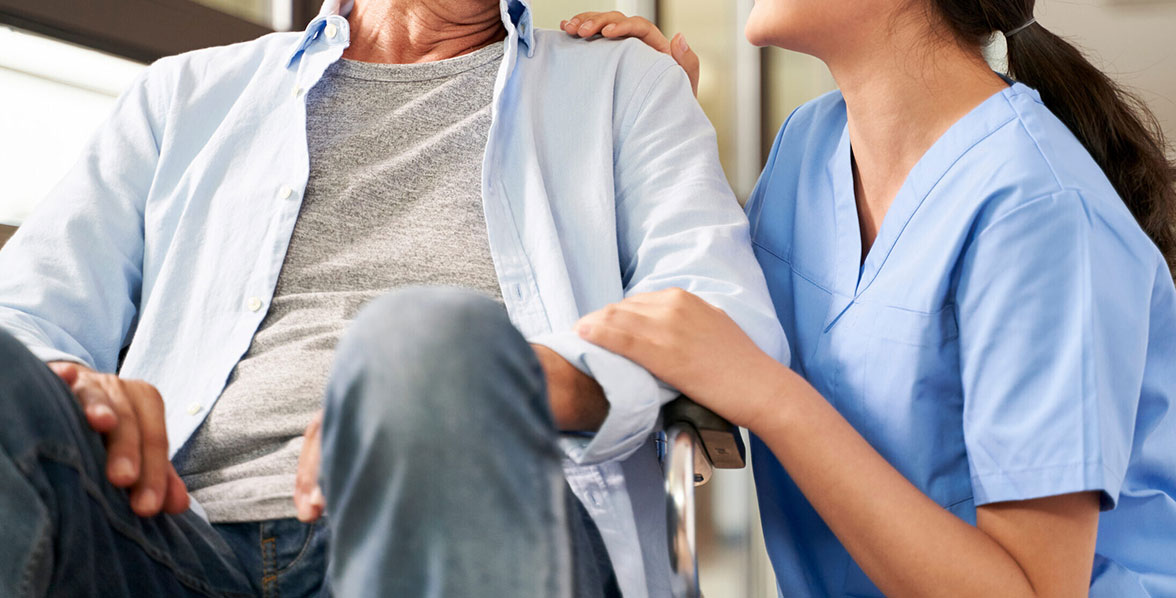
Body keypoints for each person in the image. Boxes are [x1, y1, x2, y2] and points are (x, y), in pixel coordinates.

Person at [0, 0, 788, 596]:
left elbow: (719, 306)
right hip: (170, 539)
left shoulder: (620, 81)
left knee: (424, 340)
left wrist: (514, 379)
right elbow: (25, 315)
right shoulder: (183, 96)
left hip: (460, 531)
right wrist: (80, 382)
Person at [563, 2, 1176, 596]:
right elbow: (704, 320)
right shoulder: (808, 143)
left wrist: (773, 399)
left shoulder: (1037, 210)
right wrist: (659, 128)